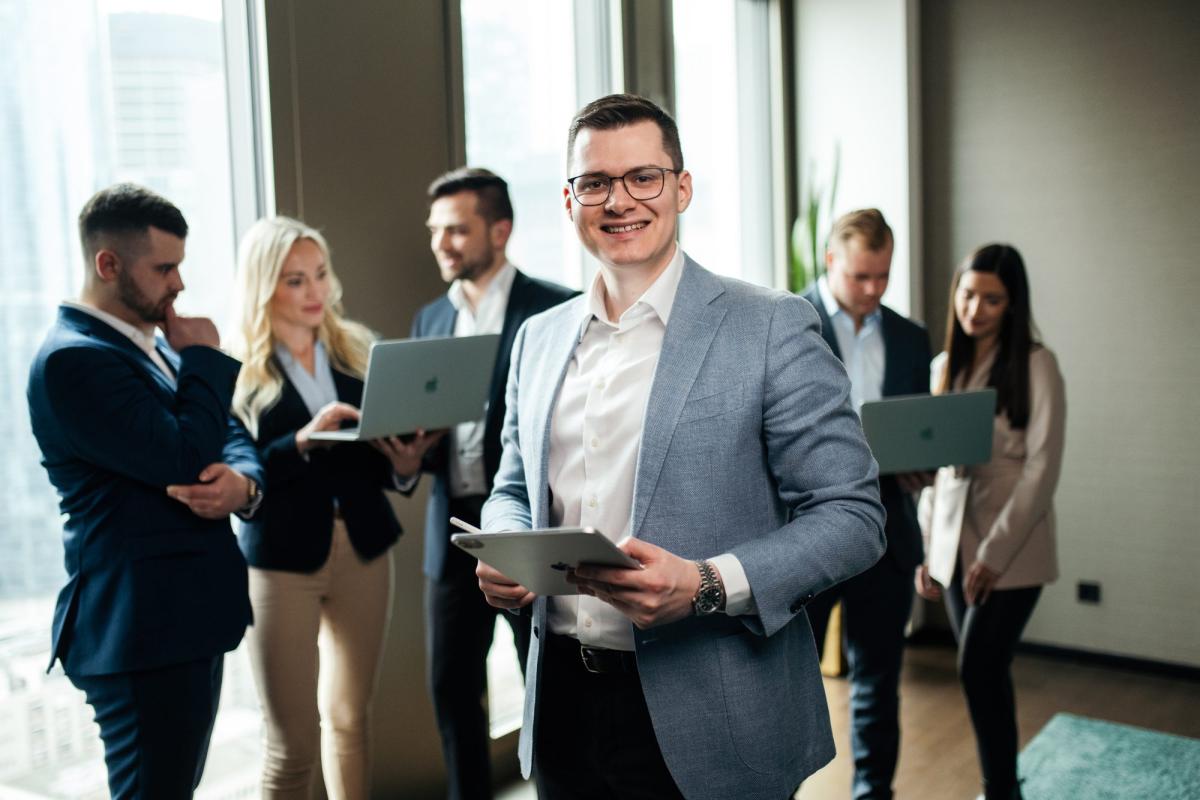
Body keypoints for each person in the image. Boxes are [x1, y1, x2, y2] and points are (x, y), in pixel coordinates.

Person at [475, 93, 887, 800]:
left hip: (718, 711)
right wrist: (505, 543)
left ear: (681, 187)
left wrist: (706, 584)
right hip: (565, 706)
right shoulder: (536, 339)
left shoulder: (770, 327)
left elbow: (852, 517)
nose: (619, 200)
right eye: (595, 183)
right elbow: (512, 485)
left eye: (644, 176)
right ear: (570, 200)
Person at [26, 183, 263, 799]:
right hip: (141, 633)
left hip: (180, 622)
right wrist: (207, 359)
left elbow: (227, 433)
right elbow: (186, 455)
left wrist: (243, 486)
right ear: (108, 265)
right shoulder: (73, 361)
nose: (179, 283)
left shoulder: (150, 344)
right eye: (164, 267)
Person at [229, 216, 440, 799]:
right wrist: (300, 441)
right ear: (265, 287)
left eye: (320, 275)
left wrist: (404, 463)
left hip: (363, 547)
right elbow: (240, 473)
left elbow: (380, 464)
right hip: (280, 560)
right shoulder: (240, 375)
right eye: (296, 281)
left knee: (351, 721)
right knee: (291, 744)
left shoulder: (359, 351)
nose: (316, 291)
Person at [409, 167, 575, 800]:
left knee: (544, 679)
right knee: (450, 686)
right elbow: (427, 442)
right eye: (435, 232)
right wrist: (407, 455)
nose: (441, 243)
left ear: (499, 230)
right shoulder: (428, 318)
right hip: (451, 528)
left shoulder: (556, 309)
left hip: (533, 526)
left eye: (456, 229)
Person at [916, 244, 1066, 800]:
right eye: (968, 293)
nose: (976, 308)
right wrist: (930, 553)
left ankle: (1000, 790)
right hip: (954, 547)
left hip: (1014, 549)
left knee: (977, 668)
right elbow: (933, 475)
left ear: (1013, 303)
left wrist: (993, 556)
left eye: (992, 299)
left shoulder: (1036, 363)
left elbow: (1042, 470)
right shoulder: (943, 368)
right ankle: (1004, 787)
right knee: (986, 672)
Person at [801, 208, 932, 800]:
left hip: (886, 531)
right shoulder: (786, 323)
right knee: (791, 681)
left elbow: (918, 429)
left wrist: (919, 466)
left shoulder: (911, 337)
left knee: (880, 681)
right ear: (832, 261)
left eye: (882, 276)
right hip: (804, 531)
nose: (874, 290)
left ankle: (874, 793)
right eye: (860, 277)